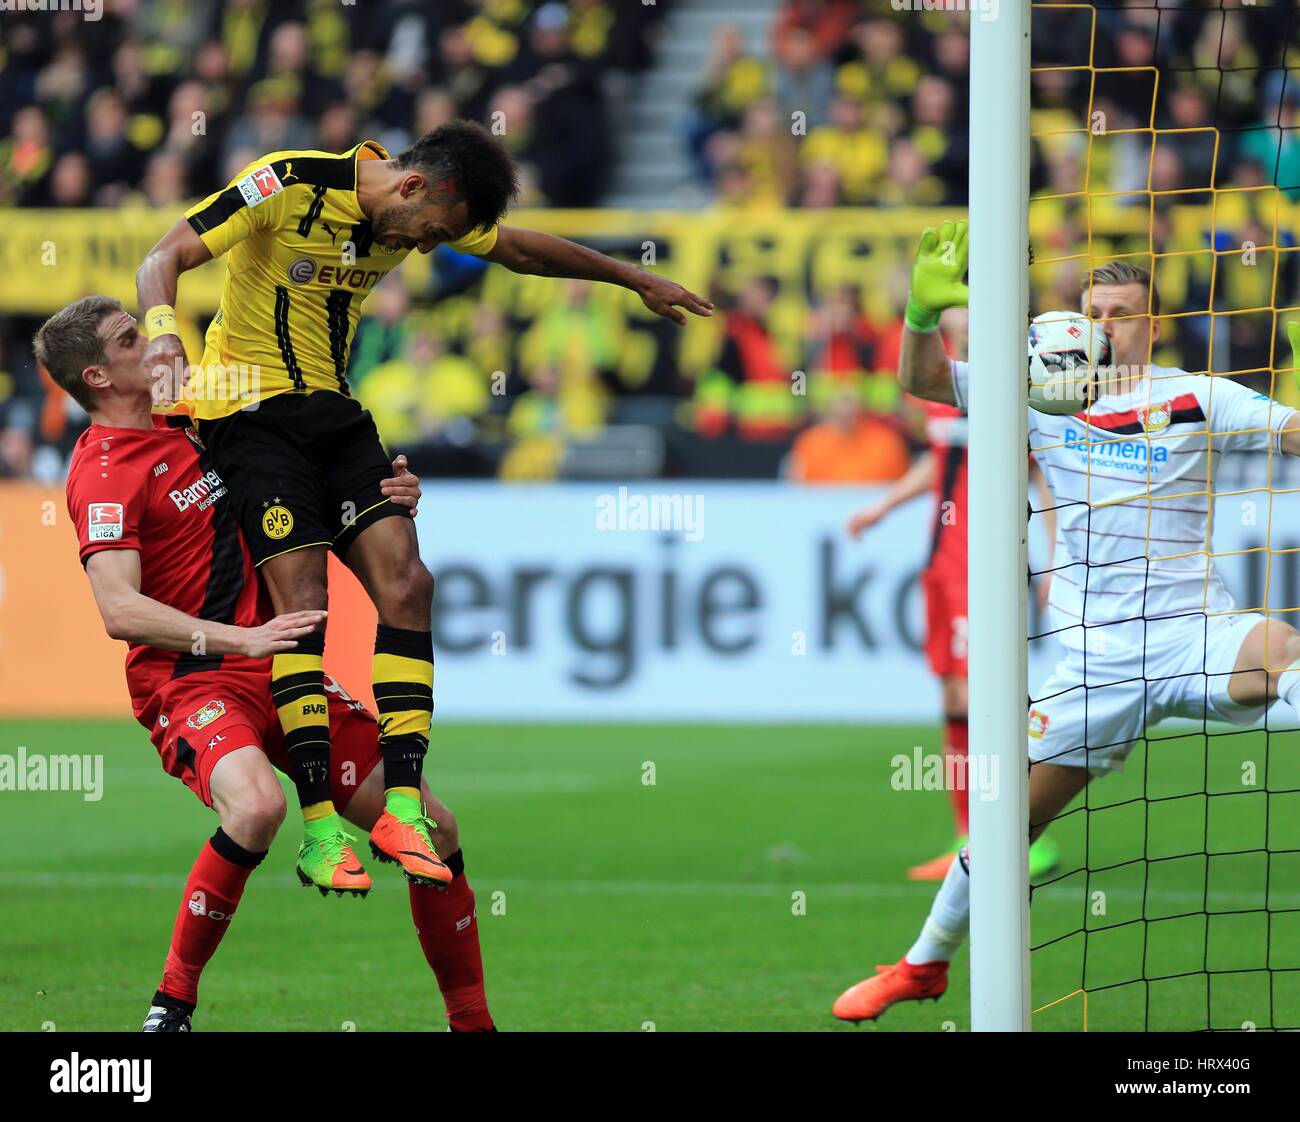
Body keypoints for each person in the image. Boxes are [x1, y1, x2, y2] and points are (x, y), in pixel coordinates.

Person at [136, 120, 714, 891]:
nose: (423, 250)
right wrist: (165, 337)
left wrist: (630, 277)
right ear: (414, 187)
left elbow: (519, 249)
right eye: (428, 234)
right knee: (304, 607)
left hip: (334, 416)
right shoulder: (289, 181)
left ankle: (402, 808)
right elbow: (163, 256)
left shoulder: (424, 213)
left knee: (410, 584)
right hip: (248, 415)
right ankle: (317, 830)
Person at [833, 221, 1300, 1022]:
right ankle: (922, 965)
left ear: (1152, 326)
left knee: (1286, 651)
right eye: (1095, 310)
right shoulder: (1044, 388)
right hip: (1094, 661)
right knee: (1004, 824)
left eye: (1122, 313)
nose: (1106, 326)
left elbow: (1291, 430)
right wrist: (917, 315)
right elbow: (927, 382)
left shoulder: (1194, 396)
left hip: (1194, 635)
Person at [38, 295, 494, 1033]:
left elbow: (309, 485)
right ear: (97, 376)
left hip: (284, 669)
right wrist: (239, 640)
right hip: (194, 680)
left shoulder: (204, 416)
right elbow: (120, 611)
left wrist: (384, 499)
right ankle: (171, 1005)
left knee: (434, 831)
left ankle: (472, 1023)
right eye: (132, 340)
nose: (156, 345)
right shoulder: (103, 472)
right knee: (256, 806)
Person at [846, 306, 1059, 881]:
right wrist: (882, 507)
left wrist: (1058, 556)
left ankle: (1021, 833)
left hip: (984, 566)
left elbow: (1045, 476)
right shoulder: (940, 392)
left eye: (970, 304)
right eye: (955, 308)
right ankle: (969, 835)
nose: (960, 315)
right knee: (951, 700)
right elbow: (938, 460)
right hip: (941, 563)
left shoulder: (1019, 389)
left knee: (981, 700)